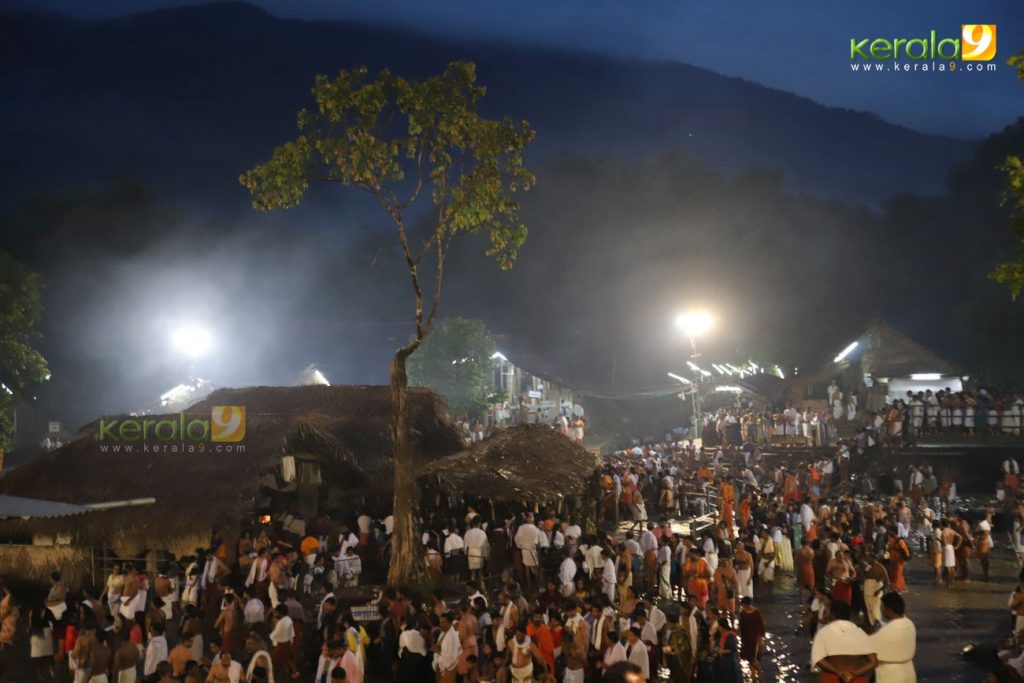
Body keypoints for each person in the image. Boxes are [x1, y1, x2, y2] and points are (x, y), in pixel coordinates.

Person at [810, 601, 878, 683]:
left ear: (832, 615)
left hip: (832, 678)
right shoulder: (860, 633)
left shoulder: (824, 632)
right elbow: (873, 662)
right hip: (857, 679)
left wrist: (839, 672)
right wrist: (853, 674)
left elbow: (819, 660)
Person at [870, 593, 916, 683]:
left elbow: (866, 646)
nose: (881, 610)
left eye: (883, 607)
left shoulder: (888, 631)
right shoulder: (909, 624)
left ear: (889, 611)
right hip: (908, 672)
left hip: (890, 675)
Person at [738, 597, 765, 681]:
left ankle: (760, 675)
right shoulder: (742, 613)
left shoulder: (757, 613)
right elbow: (741, 626)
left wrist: (760, 640)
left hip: (755, 640)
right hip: (746, 640)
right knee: (750, 660)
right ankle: (753, 676)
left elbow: (761, 628)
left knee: (754, 660)